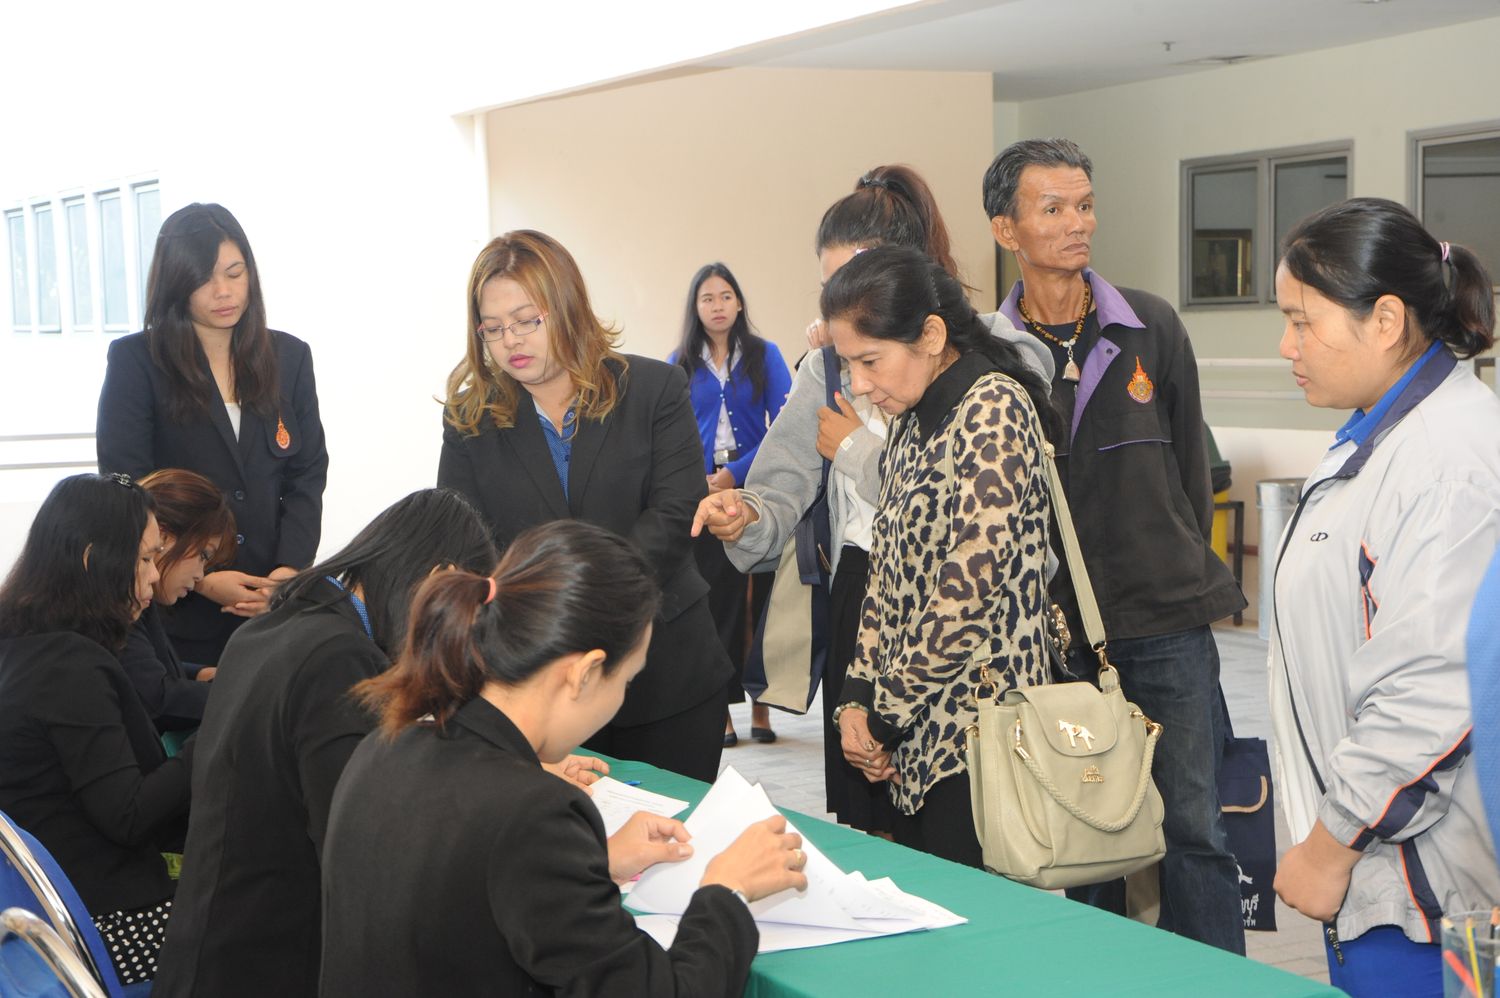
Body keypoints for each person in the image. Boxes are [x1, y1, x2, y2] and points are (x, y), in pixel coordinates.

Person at [693, 164, 1050, 834]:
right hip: (870, 598)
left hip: (974, 639)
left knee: (968, 823)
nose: (857, 376)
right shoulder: (830, 366)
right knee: (883, 827)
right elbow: (789, 486)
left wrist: (857, 451)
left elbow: (971, 561)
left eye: (858, 276)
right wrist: (748, 515)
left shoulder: (990, 367)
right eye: (831, 284)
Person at [320, 520, 810, 996]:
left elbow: (459, 888)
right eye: (627, 680)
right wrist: (727, 891)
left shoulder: (387, 746)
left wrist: (593, 863)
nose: (622, 697)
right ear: (584, 672)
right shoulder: (532, 811)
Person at [985, 138, 1247, 951]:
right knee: (1082, 833)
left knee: (1196, 829)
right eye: (1053, 208)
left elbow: (1191, 473)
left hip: (1166, 622)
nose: (1078, 223)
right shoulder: (989, 354)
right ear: (1006, 229)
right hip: (1057, 639)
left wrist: (1175, 561)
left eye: (1086, 205)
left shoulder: (1151, 326)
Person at [1267, 198, 1500, 997]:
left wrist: (1330, 845)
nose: (1287, 346)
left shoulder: (1449, 463)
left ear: (1387, 320)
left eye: (1302, 322)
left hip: (1435, 905)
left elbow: (1435, 695)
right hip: (1387, 881)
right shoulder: (1382, 436)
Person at [151, 488, 497, 998]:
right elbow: (356, 845)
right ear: (439, 577)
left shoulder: (279, 626)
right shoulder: (339, 658)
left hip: (213, 948)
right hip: (269, 965)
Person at [438, 230, 732, 782]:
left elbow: (674, 515)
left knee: (674, 826)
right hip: (541, 682)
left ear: (567, 307)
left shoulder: (652, 388)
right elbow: (466, 544)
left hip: (665, 668)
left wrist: (581, 605)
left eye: (526, 320)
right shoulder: (470, 420)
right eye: (493, 328)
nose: (511, 340)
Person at [816, 245, 1054, 866]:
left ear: (931, 335)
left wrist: (882, 718)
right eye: (848, 364)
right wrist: (857, 699)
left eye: (871, 361)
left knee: (976, 918)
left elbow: (967, 592)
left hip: (983, 732)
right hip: (915, 727)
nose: (859, 385)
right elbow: (886, 575)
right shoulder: (909, 418)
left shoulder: (992, 407)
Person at [97, 202, 328, 665]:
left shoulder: (289, 357)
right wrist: (199, 577)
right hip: (177, 606)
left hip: (271, 604)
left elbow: (307, 474)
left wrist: (287, 573)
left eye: (235, 273)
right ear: (175, 284)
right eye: (204, 279)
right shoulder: (137, 361)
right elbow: (129, 486)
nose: (224, 291)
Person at [0, 473, 190, 987]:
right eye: (146, 559)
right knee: (281, 924)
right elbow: (128, 817)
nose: (154, 576)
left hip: (56, 920)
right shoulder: (69, 666)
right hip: (107, 926)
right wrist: (214, 738)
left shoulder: (21, 647)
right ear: (92, 560)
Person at [671, 262, 792, 746]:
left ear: (738, 303)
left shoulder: (766, 355)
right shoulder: (680, 361)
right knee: (714, 605)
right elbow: (671, 431)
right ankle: (720, 711)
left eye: (725, 296)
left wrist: (734, 474)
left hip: (755, 494)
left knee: (761, 607)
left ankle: (762, 707)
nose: (717, 306)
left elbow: (783, 426)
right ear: (695, 307)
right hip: (703, 500)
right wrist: (699, 480)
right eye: (708, 298)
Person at [121, 468, 238, 732]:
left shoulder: (142, 598)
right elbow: (156, 698)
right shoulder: (123, 603)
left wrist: (199, 673)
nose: (200, 575)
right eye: (203, 555)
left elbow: (149, 667)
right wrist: (246, 694)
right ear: (162, 537)